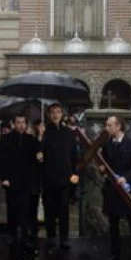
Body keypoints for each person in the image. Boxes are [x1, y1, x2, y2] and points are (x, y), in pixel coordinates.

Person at [101, 115, 131, 260]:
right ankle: (114, 254)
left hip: (127, 190)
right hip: (112, 190)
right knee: (113, 224)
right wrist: (103, 170)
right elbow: (105, 165)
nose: (106, 128)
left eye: (109, 125)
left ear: (118, 126)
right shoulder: (107, 144)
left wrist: (126, 178)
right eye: (107, 125)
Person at [38, 103, 79, 250]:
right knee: (49, 209)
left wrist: (75, 173)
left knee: (63, 209)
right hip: (49, 177)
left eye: (58, 112)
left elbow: (74, 156)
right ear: (49, 115)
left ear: (62, 114)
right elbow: (39, 155)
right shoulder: (45, 132)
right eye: (52, 112)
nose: (55, 115)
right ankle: (51, 237)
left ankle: (64, 238)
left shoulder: (69, 133)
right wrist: (40, 139)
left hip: (65, 177)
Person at [0, 114, 40, 245]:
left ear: (26, 124)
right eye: (18, 122)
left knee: (26, 208)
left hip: (26, 180)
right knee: (12, 208)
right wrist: (4, 177)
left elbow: (37, 157)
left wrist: (40, 140)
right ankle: (12, 233)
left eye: (23, 122)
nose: (21, 125)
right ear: (13, 124)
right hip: (11, 179)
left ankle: (24, 233)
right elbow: (2, 161)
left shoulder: (31, 139)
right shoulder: (6, 139)